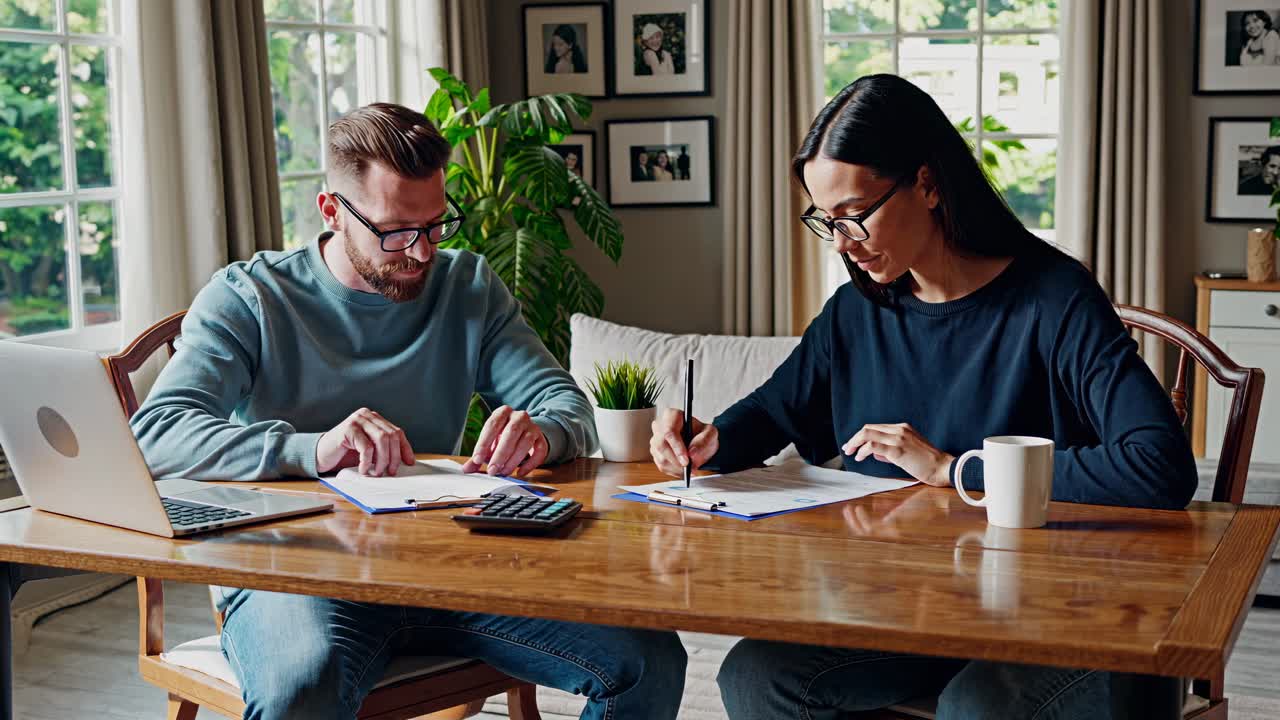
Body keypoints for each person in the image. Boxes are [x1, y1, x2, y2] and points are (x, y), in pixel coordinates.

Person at [649, 74, 1197, 719]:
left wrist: (953, 469)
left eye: (855, 215)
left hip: (1060, 615)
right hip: (912, 609)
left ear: (929, 184)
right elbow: (776, 409)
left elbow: (1159, 464)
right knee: (757, 675)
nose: (844, 242)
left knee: (976, 706)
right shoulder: (858, 310)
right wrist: (709, 440)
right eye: (827, 222)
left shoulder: (1054, 299)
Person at [131, 102, 686, 720]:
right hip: (299, 572)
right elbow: (154, 435)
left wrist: (543, 434)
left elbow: (568, 408)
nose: (422, 253)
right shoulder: (251, 296)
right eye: (397, 232)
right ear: (333, 212)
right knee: (299, 691)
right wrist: (311, 450)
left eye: (435, 225)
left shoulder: (467, 285)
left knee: (647, 659)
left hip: (450, 567)